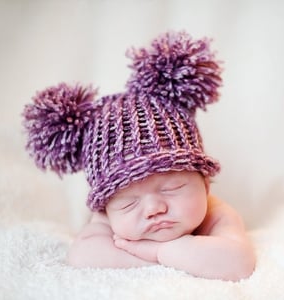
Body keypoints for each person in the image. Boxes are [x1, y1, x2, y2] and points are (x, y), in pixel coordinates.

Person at [22, 31, 255, 281]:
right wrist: (179, 257)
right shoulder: (107, 219)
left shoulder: (214, 212)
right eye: (128, 202)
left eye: (172, 187)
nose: (154, 209)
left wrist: (158, 251)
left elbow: (238, 263)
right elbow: (83, 256)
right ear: (106, 206)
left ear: (205, 182)